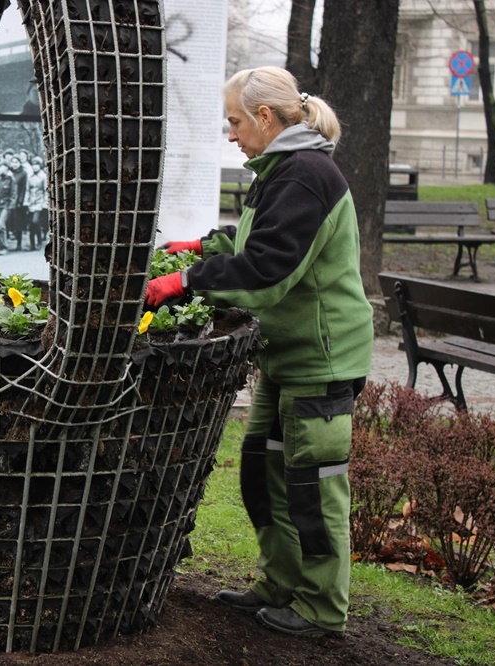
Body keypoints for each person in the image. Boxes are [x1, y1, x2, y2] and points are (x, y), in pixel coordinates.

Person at [145, 66, 373, 638]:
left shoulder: (305, 176)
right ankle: (281, 583)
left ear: (265, 117)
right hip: (286, 356)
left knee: (312, 487)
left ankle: (321, 607)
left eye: (235, 122)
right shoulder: (279, 171)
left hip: (321, 361)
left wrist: (184, 282)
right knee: (263, 472)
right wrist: (198, 247)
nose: (231, 134)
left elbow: (267, 271)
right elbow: (253, 242)